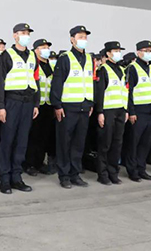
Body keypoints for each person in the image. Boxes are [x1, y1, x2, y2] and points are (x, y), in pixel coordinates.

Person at [0, 24, 39, 194]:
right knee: (8, 140)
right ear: (15, 36)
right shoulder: (7, 56)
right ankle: (5, 178)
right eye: (22, 33)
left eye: (27, 33)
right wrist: (0, 107)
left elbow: (35, 80)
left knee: (22, 141)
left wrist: (36, 104)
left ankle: (17, 177)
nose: (26, 35)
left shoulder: (32, 56)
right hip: (12, 102)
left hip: (28, 103)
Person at [50, 25, 95, 189]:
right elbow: (57, 82)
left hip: (84, 107)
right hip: (68, 108)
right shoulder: (65, 58)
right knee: (64, 142)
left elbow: (89, 83)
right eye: (80, 37)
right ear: (72, 39)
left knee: (79, 143)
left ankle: (75, 174)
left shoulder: (89, 59)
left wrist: (90, 103)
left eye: (85, 37)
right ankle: (64, 175)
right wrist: (57, 105)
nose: (84, 39)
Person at [123, 40, 151, 182]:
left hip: (150, 111)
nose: (149, 53)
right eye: (146, 51)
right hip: (138, 112)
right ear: (138, 52)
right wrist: (131, 112)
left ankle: (141, 169)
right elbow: (129, 92)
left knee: (145, 143)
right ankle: (132, 171)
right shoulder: (132, 68)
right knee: (134, 143)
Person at [94, 41, 128, 185]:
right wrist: (100, 112)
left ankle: (113, 172)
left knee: (117, 143)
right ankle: (102, 174)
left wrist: (126, 110)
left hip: (120, 110)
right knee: (105, 144)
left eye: (119, 51)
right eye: (115, 51)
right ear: (108, 53)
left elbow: (125, 91)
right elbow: (99, 93)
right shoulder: (103, 69)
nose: (118, 53)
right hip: (107, 111)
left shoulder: (122, 70)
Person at [25, 38, 55, 176]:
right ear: (36, 50)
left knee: (44, 136)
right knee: (33, 135)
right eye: (43, 48)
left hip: (48, 105)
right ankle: (29, 163)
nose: (46, 50)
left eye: (47, 48)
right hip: (35, 106)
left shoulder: (51, 66)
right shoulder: (33, 65)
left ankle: (40, 162)